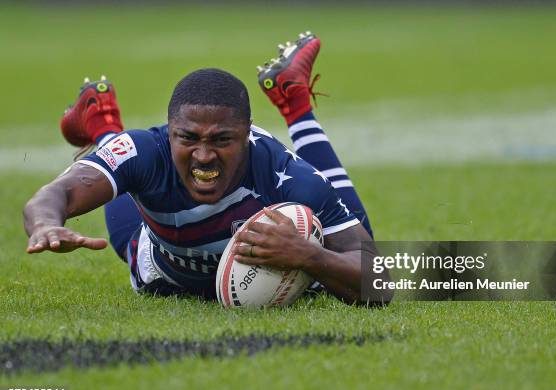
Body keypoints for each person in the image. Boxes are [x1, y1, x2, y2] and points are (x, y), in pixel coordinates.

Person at [23, 33, 381, 303]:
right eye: (188, 138)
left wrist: (309, 255)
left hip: (284, 237)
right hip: (162, 265)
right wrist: (46, 225)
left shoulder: (285, 176)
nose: (204, 155)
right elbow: (59, 193)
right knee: (123, 178)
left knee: (359, 246)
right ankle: (102, 124)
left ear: (247, 134)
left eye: (222, 140)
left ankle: (296, 105)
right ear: (169, 130)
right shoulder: (146, 150)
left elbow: (383, 282)